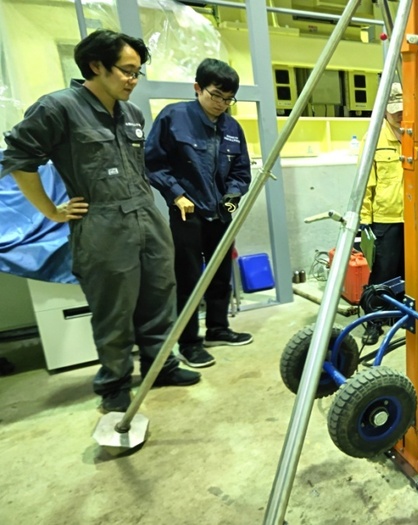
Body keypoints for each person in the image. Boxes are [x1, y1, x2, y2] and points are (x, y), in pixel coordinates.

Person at [1, 30, 200, 412]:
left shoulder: (132, 113)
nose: (133, 80)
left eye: (138, 72)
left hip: (146, 217)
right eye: (126, 71)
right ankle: (115, 383)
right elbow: (19, 159)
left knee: (160, 297)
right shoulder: (58, 108)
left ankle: (161, 365)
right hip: (103, 225)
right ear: (96, 66)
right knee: (114, 310)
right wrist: (50, 211)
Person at [145, 58, 253, 368]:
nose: (222, 104)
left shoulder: (232, 127)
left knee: (220, 275)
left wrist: (234, 192)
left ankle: (218, 329)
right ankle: (189, 342)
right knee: (188, 279)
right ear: (197, 88)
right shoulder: (173, 117)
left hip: (221, 212)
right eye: (216, 95)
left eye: (229, 98)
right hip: (186, 214)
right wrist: (176, 194)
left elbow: (241, 170)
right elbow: (153, 163)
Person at [359, 82, 407, 345]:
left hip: (414, 219)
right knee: (383, 274)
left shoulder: (417, 133)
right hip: (384, 219)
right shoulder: (374, 138)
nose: (399, 114)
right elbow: (365, 182)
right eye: (394, 110)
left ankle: (401, 317)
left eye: (403, 109)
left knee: (410, 273)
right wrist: (365, 220)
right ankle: (374, 322)